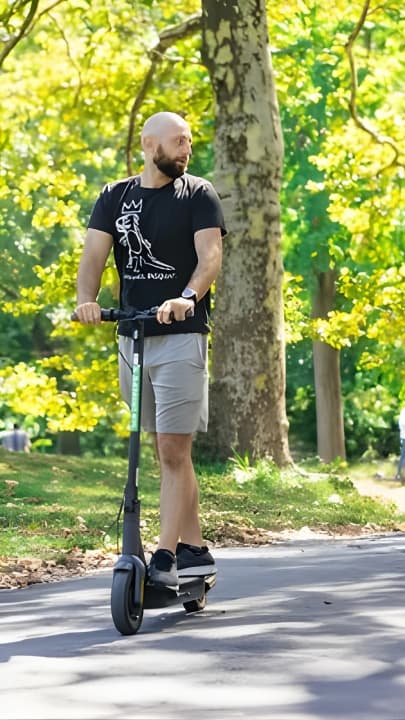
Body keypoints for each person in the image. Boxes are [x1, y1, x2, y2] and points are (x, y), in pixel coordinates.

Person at [74, 111, 225, 589]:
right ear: (148, 143)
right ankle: (195, 548)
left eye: (190, 143)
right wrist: (86, 301)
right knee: (168, 451)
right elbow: (94, 256)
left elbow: (211, 256)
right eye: (179, 142)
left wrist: (186, 296)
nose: (187, 150)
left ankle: (164, 556)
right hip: (133, 337)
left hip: (181, 335)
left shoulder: (199, 193)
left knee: (171, 447)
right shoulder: (114, 197)